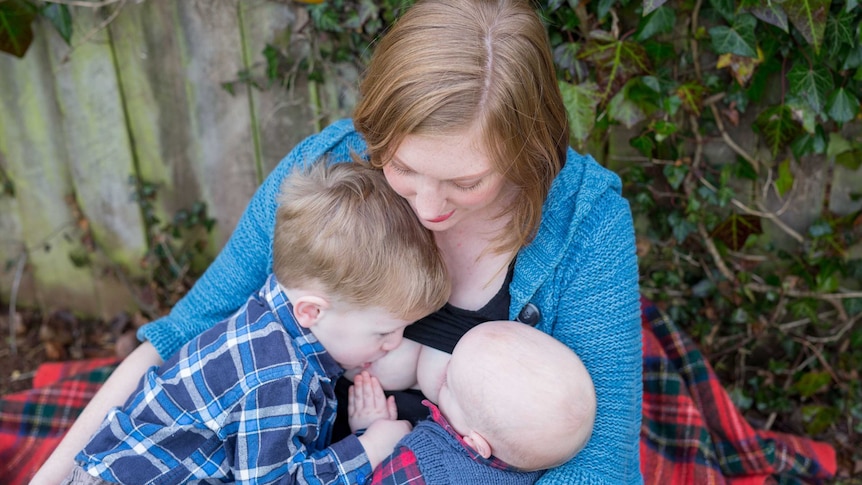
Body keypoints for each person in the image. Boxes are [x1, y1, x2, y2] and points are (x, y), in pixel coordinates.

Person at [33, 0, 643, 483]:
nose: (429, 210)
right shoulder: (331, 168)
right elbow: (186, 333)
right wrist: (54, 477)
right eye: (404, 170)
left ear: (528, 149)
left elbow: (600, 462)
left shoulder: (584, 224)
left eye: (467, 181)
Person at [59, 162, 450, 484]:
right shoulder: (277, 377)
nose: (394, 343)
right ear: (312, 312)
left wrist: (363, 428)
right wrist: (369, 449)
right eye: (384, 332)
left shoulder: (271, 315)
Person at [349, 320, 597, 484]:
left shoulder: (422, 467)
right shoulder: (529, 460)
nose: (444, 364)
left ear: (476, 444)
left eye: (448, 381)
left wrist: (367, 431)